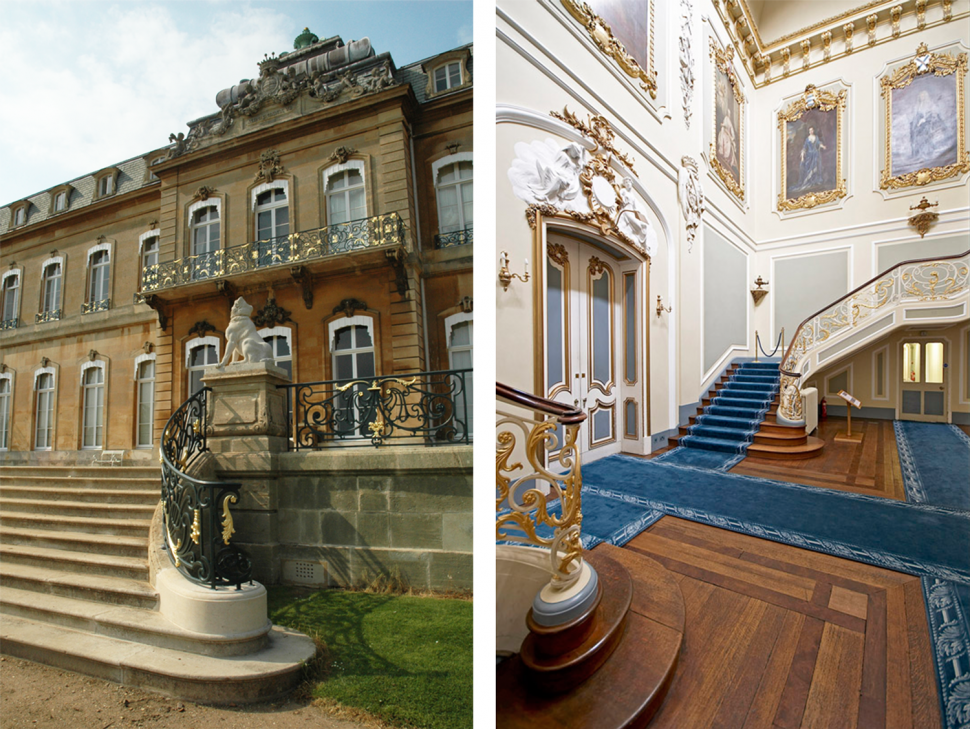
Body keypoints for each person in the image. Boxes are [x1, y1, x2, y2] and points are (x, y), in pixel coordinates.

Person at [797, 125, 826, 192]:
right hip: (809, 156)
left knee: (816, 167)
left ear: (813, 131)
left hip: (816, 154)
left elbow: (818, 144)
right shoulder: (807, 139)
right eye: (810, 130)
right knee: (809, 168)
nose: (811, 131)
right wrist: (802, 154)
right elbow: (804, 147)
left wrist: (823, 146)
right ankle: (809, 181)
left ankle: (815, 181)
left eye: (812, 130)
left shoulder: (816, 137)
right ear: (808, 131)